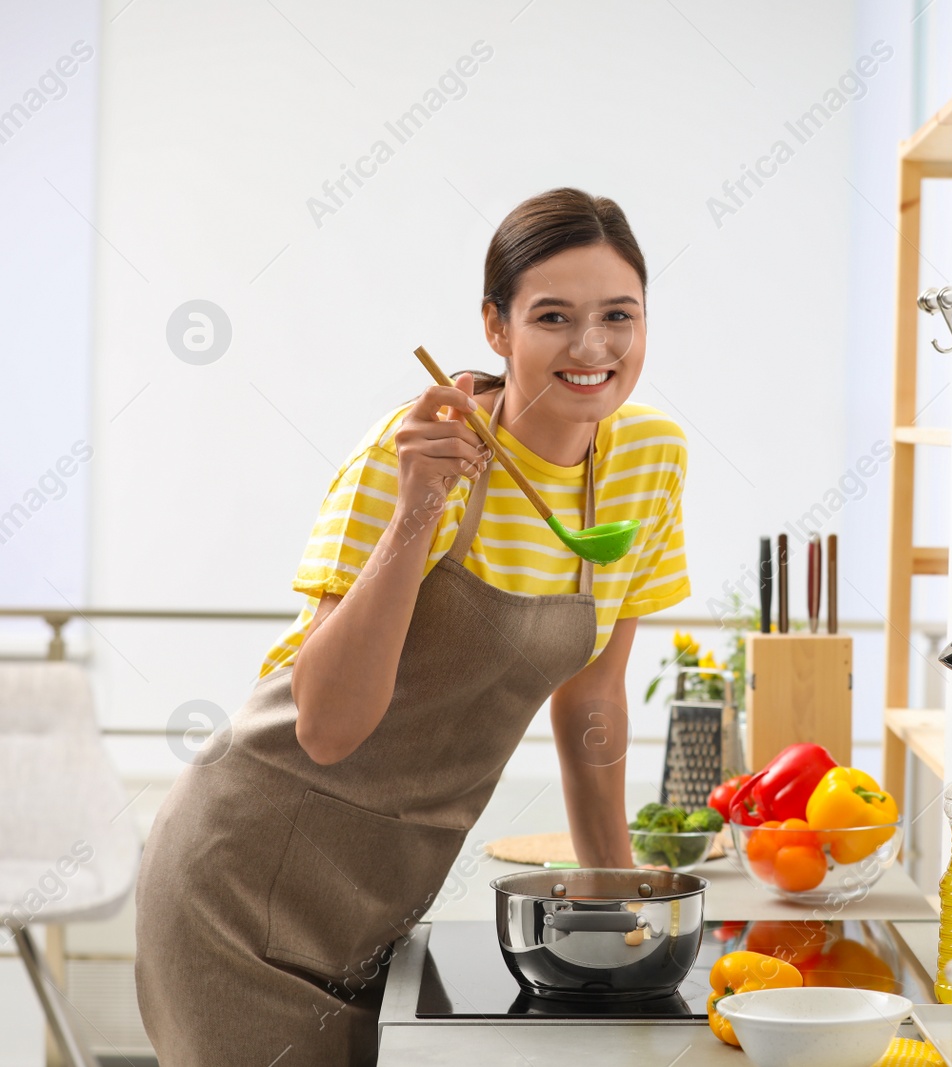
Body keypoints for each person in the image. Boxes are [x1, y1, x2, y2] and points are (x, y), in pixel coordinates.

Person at [134, 188, 689, 1065]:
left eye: (618, 315)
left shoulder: (649, 456)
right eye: (553, 316)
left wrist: (623, 907)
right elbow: (326, 725)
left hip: (381, 899)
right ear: (497, 328)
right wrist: (416, 512)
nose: (591, 347)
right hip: (239, 880)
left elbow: (595, 701)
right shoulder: (416, 455)